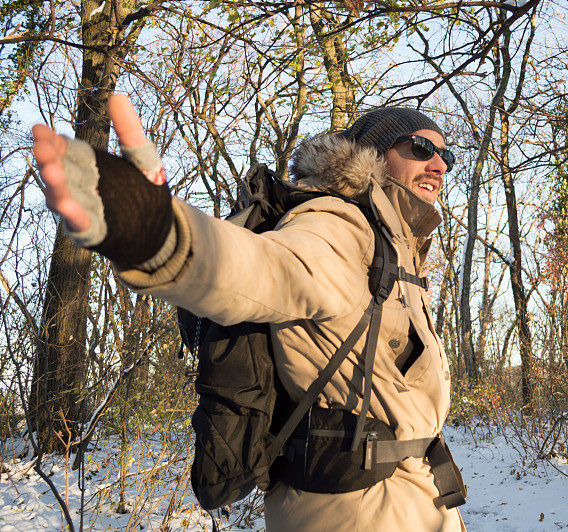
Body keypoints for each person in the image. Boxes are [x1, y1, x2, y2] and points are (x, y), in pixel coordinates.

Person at [32, 95, 465, 531]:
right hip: (361, 510)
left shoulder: (398, 247)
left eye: (444, 155)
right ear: (373, 155)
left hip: (412, 497)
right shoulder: (340, 225)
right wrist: (156, 233)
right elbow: (259, 270)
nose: (438, 164)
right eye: (420, 148)